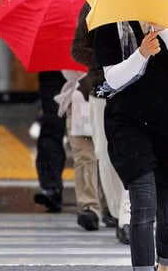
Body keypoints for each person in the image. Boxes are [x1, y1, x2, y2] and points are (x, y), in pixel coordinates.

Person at [94, 15, 168, 271]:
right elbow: (112, 79)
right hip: (128, 123)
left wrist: (165, 31)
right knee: (143, 205)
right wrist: (141, 53)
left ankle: (165, 264)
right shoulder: (110, 17)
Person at [72, 3, 131, 243]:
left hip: (138, 92)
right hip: (103, 91)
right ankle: (119, 214)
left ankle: (129, 218)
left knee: (134, 153)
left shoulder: (148, 2)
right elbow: (78, 49)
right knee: (105, 155)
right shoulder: (93, 5)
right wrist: (108, 60)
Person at [54, 69, 103, 231]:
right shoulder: (69, 45)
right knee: (84, 158)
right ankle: (89, 207)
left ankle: (113, 207)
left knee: (110, 157)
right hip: (79, 102)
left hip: (111, 101)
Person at [33, 71, 67, 212]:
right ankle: (51, 188)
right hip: (54, 72)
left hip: (87, 73)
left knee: (89, 140)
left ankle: (103, 200)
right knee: (51, 128)